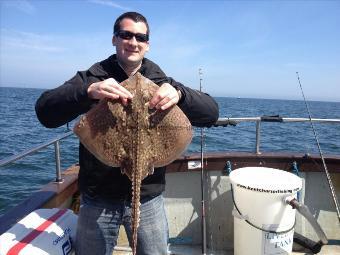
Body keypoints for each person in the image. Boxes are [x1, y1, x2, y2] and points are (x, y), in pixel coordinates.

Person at [35, 12, 219, 255]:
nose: (133, 42)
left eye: (140, 37)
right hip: (98, 199)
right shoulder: (94, 76)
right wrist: (88, 91)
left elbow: (211, 113)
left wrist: (180, 94)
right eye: (126, 35)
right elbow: (45, 112)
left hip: (148, 197)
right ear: (114, 39)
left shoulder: (161, 80)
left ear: (147, 45)